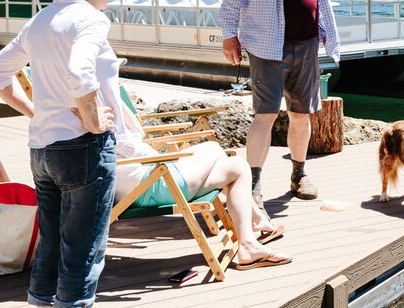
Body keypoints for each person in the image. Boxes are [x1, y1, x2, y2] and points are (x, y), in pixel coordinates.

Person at [0, 0, 135, 308]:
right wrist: (91, 120)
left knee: (51, 246)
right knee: (83, 252)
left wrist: (38, 111)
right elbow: (82, 72)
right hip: (83, 149)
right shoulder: (89, 18)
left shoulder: (40, 20)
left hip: (43, 149)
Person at [220, 0, 340, 225]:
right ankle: (254, 185)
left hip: (307, 44)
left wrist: (327, 30)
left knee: (302, 115)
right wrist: (230, 34)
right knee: (266, 114)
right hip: (265, 43)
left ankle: (299, 176)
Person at [112, 105, 291, 269]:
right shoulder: (94, 105)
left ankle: (249, 241)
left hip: (148, 179)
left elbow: (135, 129)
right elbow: (132, 139)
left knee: (237, 166)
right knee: (213, 148)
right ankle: (254, 227)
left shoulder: (98, 96)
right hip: (147, 187)